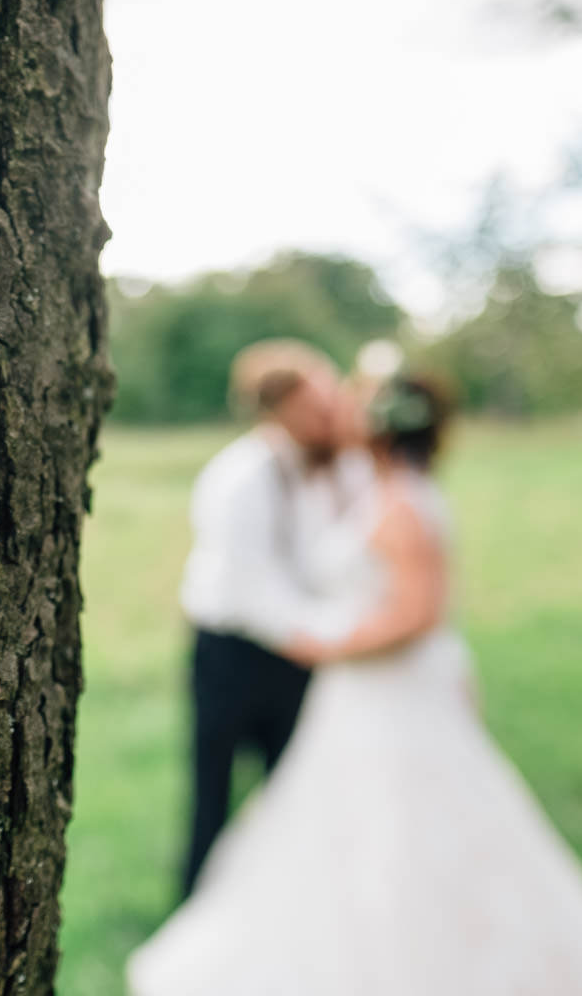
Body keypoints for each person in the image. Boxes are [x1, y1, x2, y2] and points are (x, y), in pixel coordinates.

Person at [129, 373, 582, 996]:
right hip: (339, 689)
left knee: (402, 825)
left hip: (384, 689)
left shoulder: (401, 503)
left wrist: (328, 644)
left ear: (378, 426)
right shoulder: (357, 485)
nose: (338, 414)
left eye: (350, 404)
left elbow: (416, 615)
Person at [174, 340, 369, 897]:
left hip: (305, 652)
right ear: (276, 413)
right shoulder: (239, 478)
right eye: (313, 408)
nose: (328, 415)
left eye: (331, 400)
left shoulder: (345, 465)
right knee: (213, 790)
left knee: (297, 787)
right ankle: (197, 904)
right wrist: (328, 638)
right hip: (233, 652)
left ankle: (287, 900)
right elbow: (251, 589)